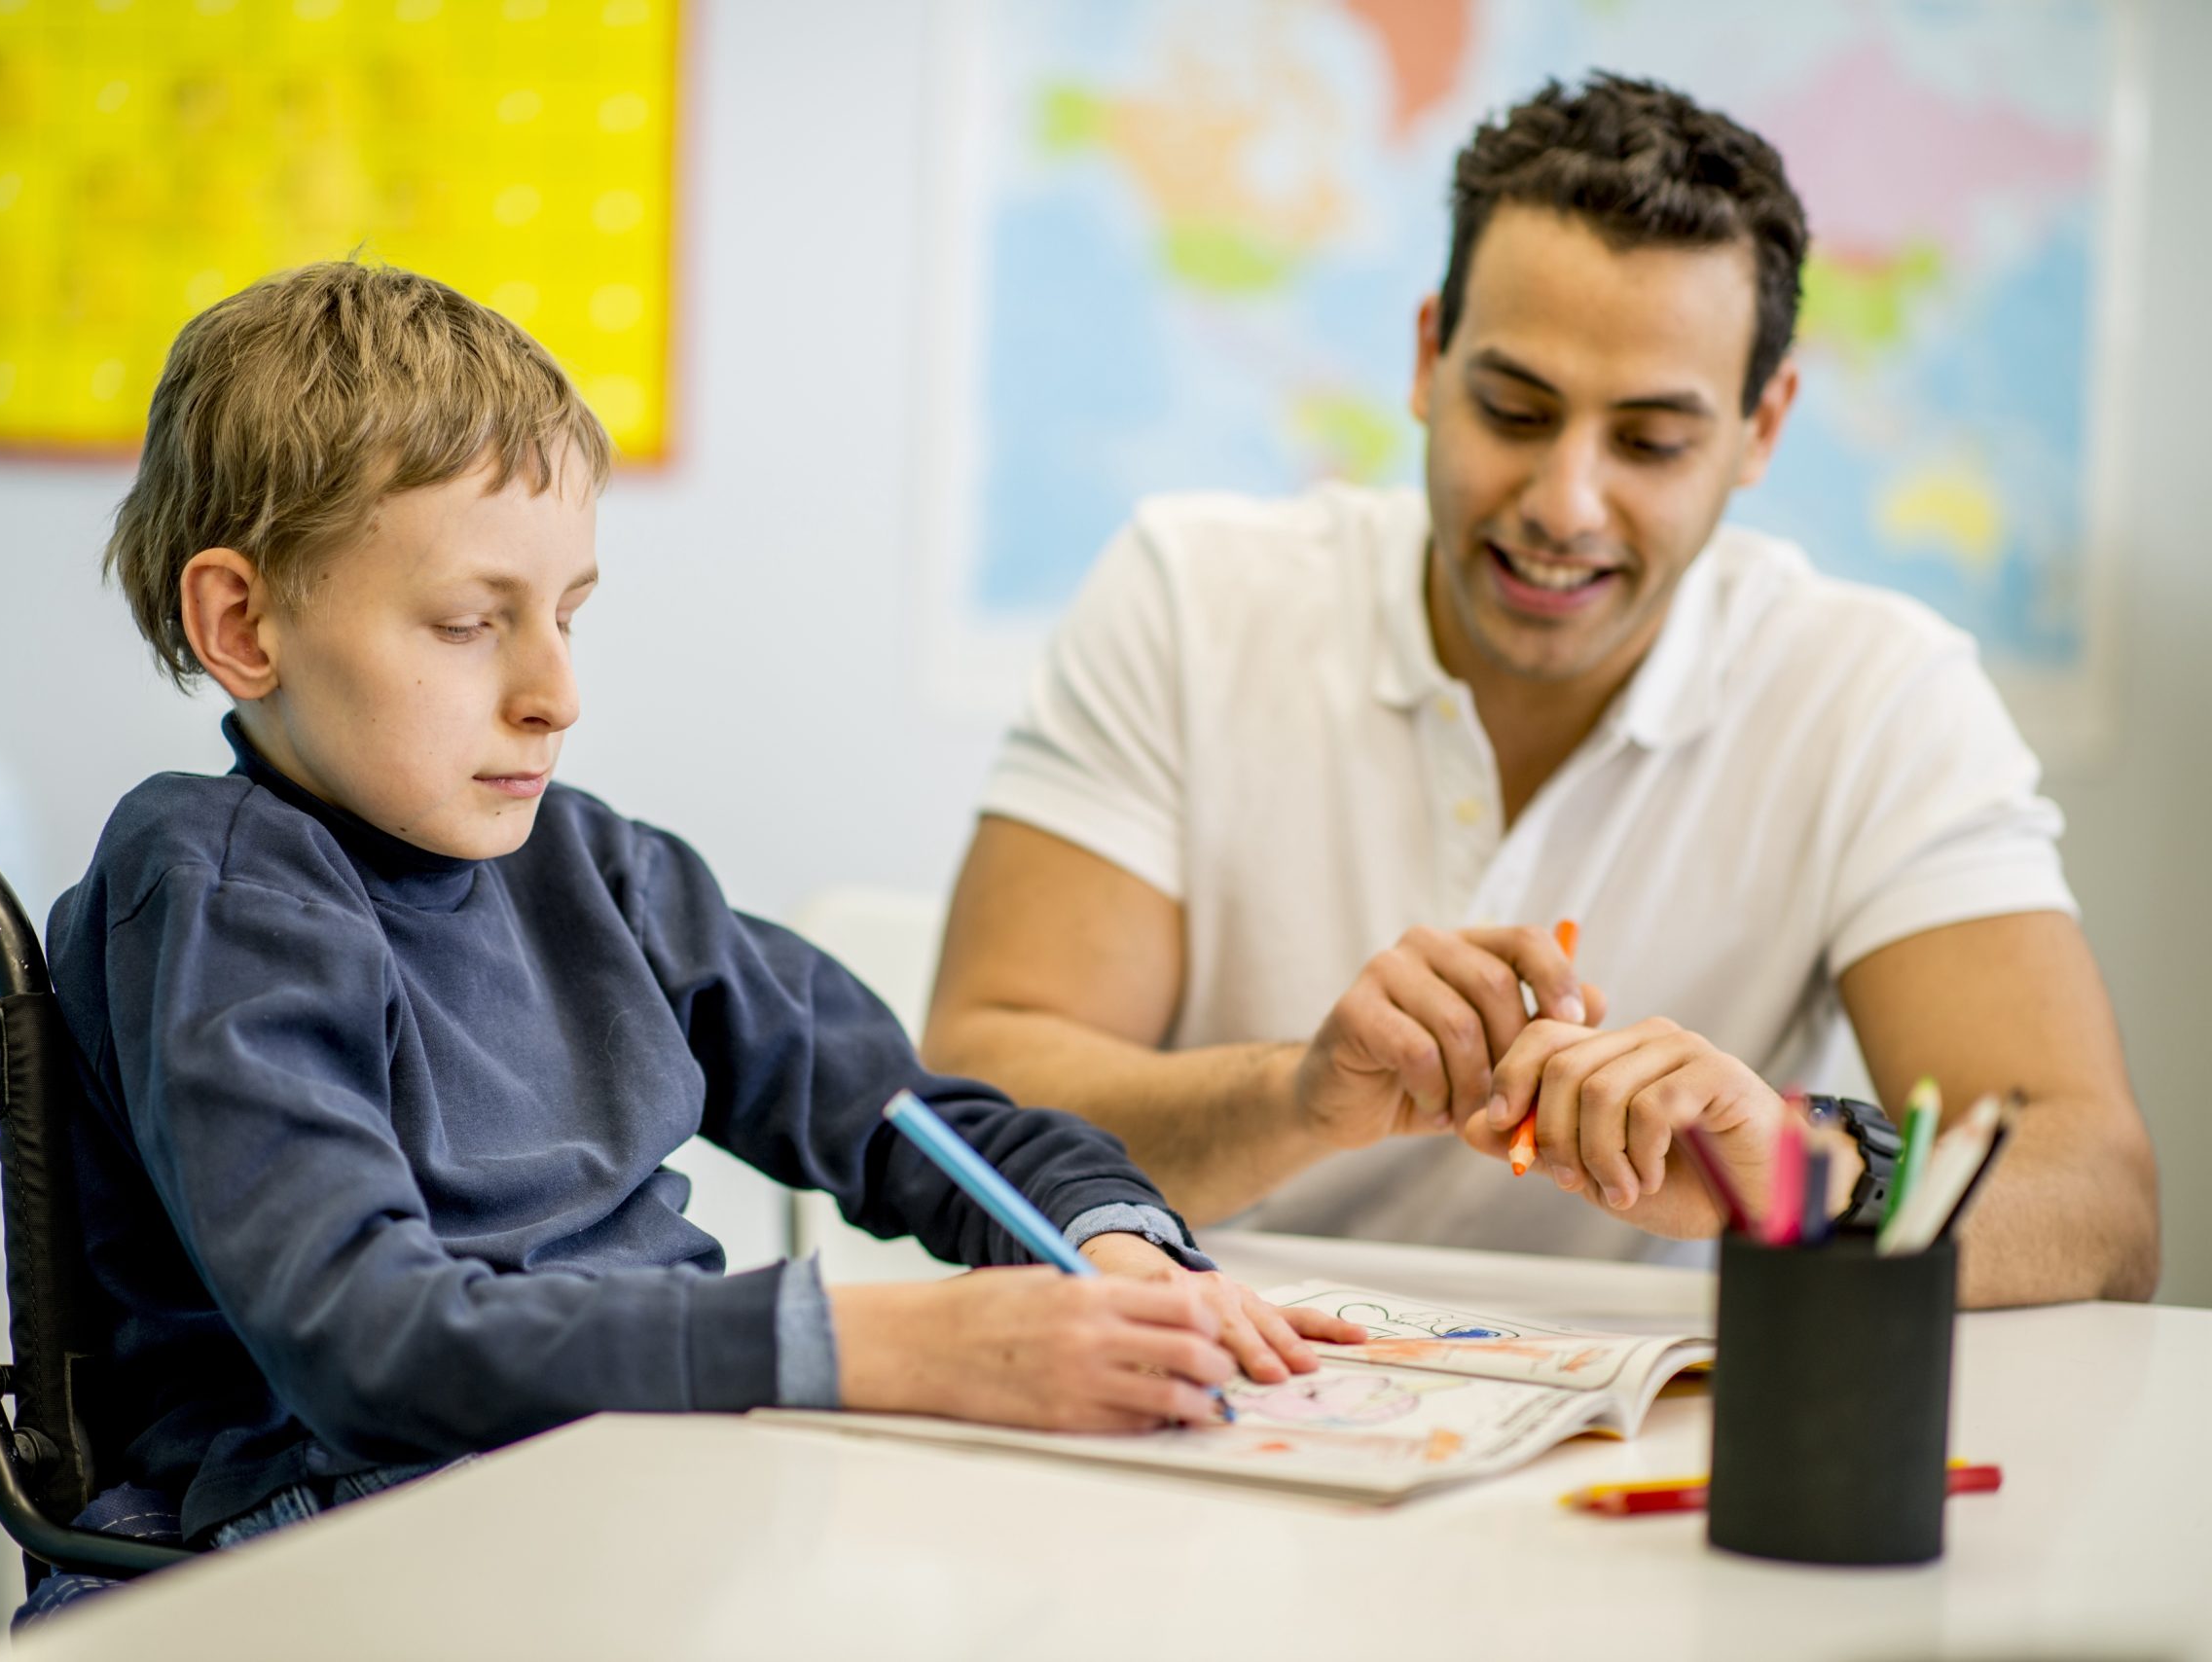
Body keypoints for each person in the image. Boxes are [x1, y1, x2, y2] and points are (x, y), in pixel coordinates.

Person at [43, 261, 1360, 1564]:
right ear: (242, 623)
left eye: (568, 615)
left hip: (625, 1471)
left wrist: (1103, 1237)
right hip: (348, 1510)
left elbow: (903, 1115)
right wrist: (868, 1343)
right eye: (466, 624)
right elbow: (366, 1342)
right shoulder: (218, 884)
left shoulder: (593, 868)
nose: (556, 694)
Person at [921, 75, 2158, 1308]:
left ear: (1761, 427)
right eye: (1513, 411)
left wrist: (1795, 1177)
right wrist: (1296, 1097)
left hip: (1660, 1401)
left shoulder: (1878, 694)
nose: (1564, 504)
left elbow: (2100, 1199)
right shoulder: (1187, 601)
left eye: (1651, 441)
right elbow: (967, 1098)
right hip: (1211, 1354)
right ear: (1428, 358)